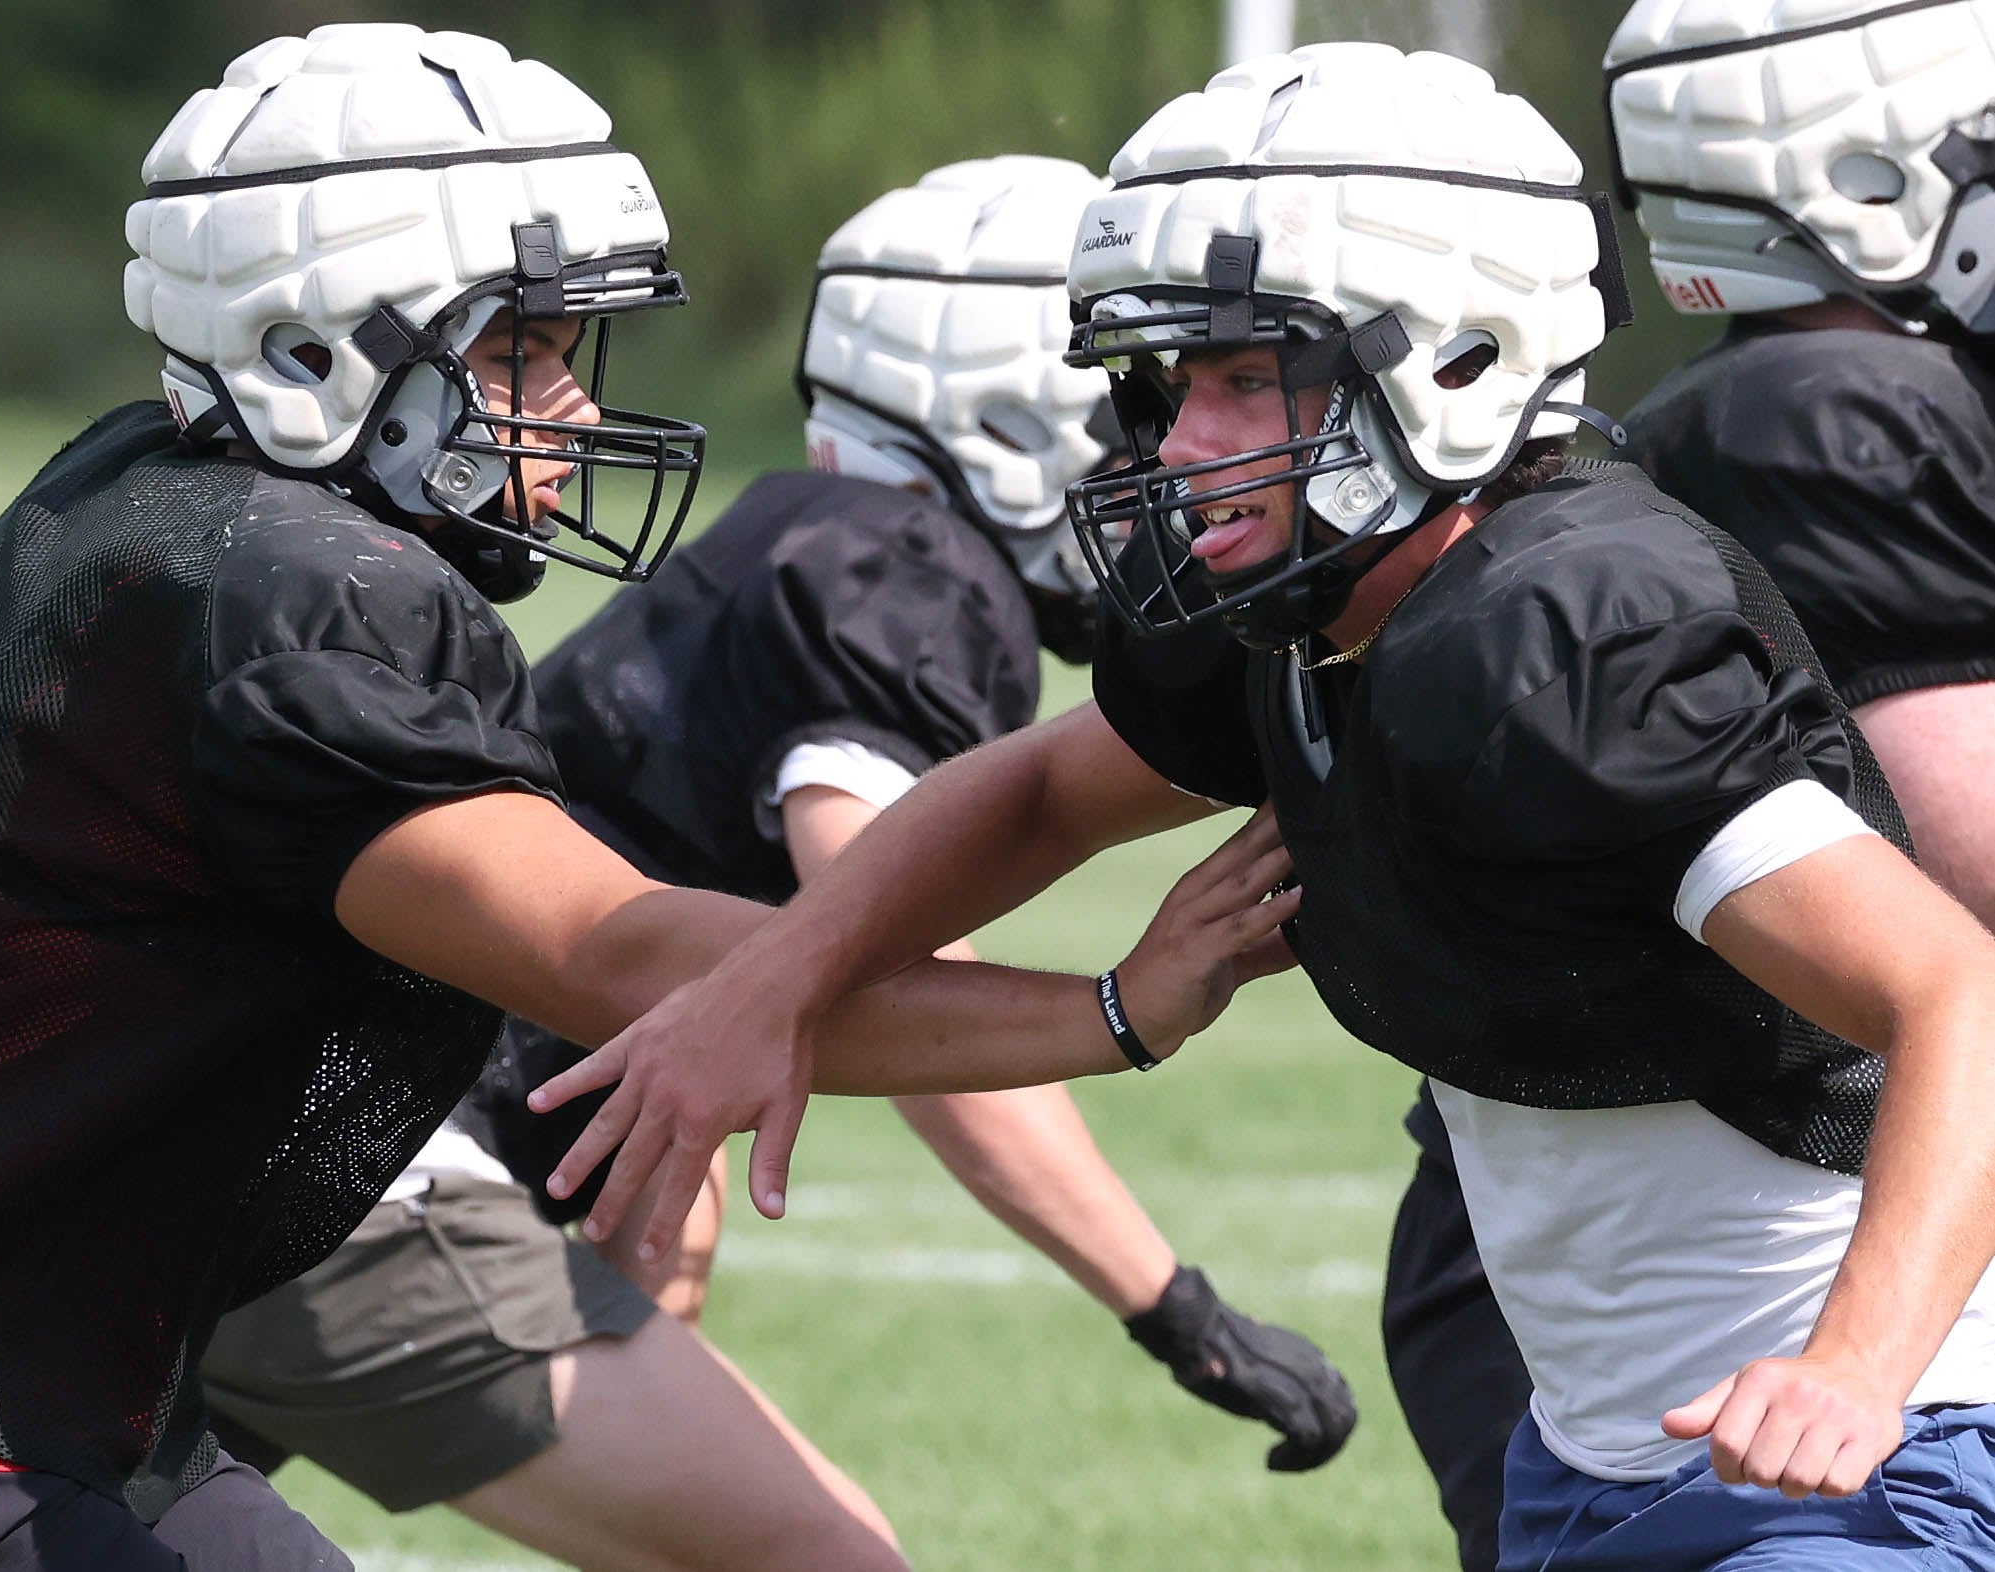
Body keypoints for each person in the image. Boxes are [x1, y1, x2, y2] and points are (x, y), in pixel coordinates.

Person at [539, 43, 1995, 1572]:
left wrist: (1854, 1371)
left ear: (1456, 356)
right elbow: (1039, 789)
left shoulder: (1563, 634)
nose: (1178, 443)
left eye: (1245, 380)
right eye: (1170, 385)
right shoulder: (1311, 603)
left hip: (1871, 1447)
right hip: (1593, 1455)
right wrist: (765, 988)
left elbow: (1950, 989)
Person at [0, 25, 1292, 1571]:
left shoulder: (149, 496)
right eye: (515, 354)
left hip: (44, 1370)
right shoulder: (295, 600)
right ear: (305, 350)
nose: (578, 410)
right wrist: (1116, 1007)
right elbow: (632, 963)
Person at [196, 156, 1356, 1572]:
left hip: (265, 1142)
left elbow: (700, 928)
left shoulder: (797, 541)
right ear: (1004, 418)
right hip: (382, 1175)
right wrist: (1167, 1299)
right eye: (1137, 415)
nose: (1166, 462)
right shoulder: (902, 575)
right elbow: (863, 920)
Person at [1379, 5, 1995, 1564]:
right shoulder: (1828, 414)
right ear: (1863, 175)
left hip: (1662, 1254)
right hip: (1715, 1292)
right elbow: (1974, 880)